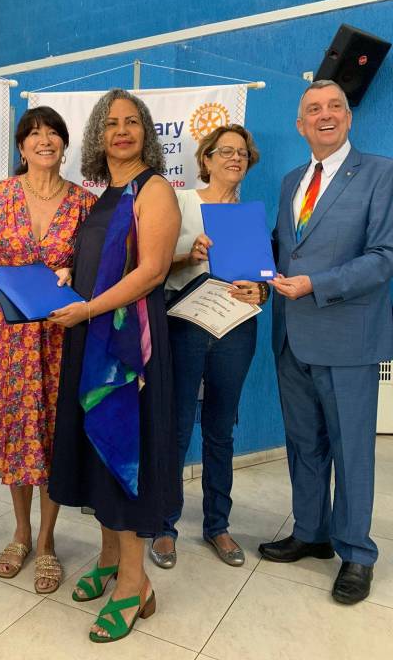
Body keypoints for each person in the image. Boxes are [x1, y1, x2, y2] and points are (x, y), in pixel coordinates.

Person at [48, 88, 181, 643]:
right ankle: (107, 559)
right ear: (98, 136)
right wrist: (69, 277)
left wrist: (87, 308)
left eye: (131, 122)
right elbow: (98, 263)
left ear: (146, 132)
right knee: (96, 452)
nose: (121, 131)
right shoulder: (105, 194)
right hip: (92, 337)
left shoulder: (155, 190)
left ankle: (134, 584)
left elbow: (151, 272)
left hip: (129, 348)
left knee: (123, 452)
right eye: (110, 123)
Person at [259, 79, 393, 605]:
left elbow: (383, 257)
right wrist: (246, 265)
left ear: (349, 118)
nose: (325, 114)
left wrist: (316, 284)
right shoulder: (292, 180)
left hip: (347, 338)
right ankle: (311, 533)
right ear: (301, 125)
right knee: (304, 444)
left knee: (352, 448)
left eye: (335, 106)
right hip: (291, 335)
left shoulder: (380, 173)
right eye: (314, 109)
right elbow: (283, 248)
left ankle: (357, 553)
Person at [0, 106, 95, 594]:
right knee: (19, 431)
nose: (44, 141)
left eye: (53, 133)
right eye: (34, 134)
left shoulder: (84, 203)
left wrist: (73, 272)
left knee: (54, 433)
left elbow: (92, 270)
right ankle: (20, 532)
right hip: (11, 336)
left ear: (64, 144)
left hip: (61, 333)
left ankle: (47, 540)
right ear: (21, 146)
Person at [150, 125, 268, 570]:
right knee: (177, 427)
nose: (235, 158)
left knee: (220, 430)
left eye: (243, 153)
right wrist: (189, 254)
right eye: (226, 151)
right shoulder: (181, 202)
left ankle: (218, 525)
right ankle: (164, 526)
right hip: (184, 324)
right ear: (206, 159)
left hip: (236, 327)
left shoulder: (251, 215)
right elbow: (152, 265)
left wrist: (262, 291)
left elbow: (264, 277)